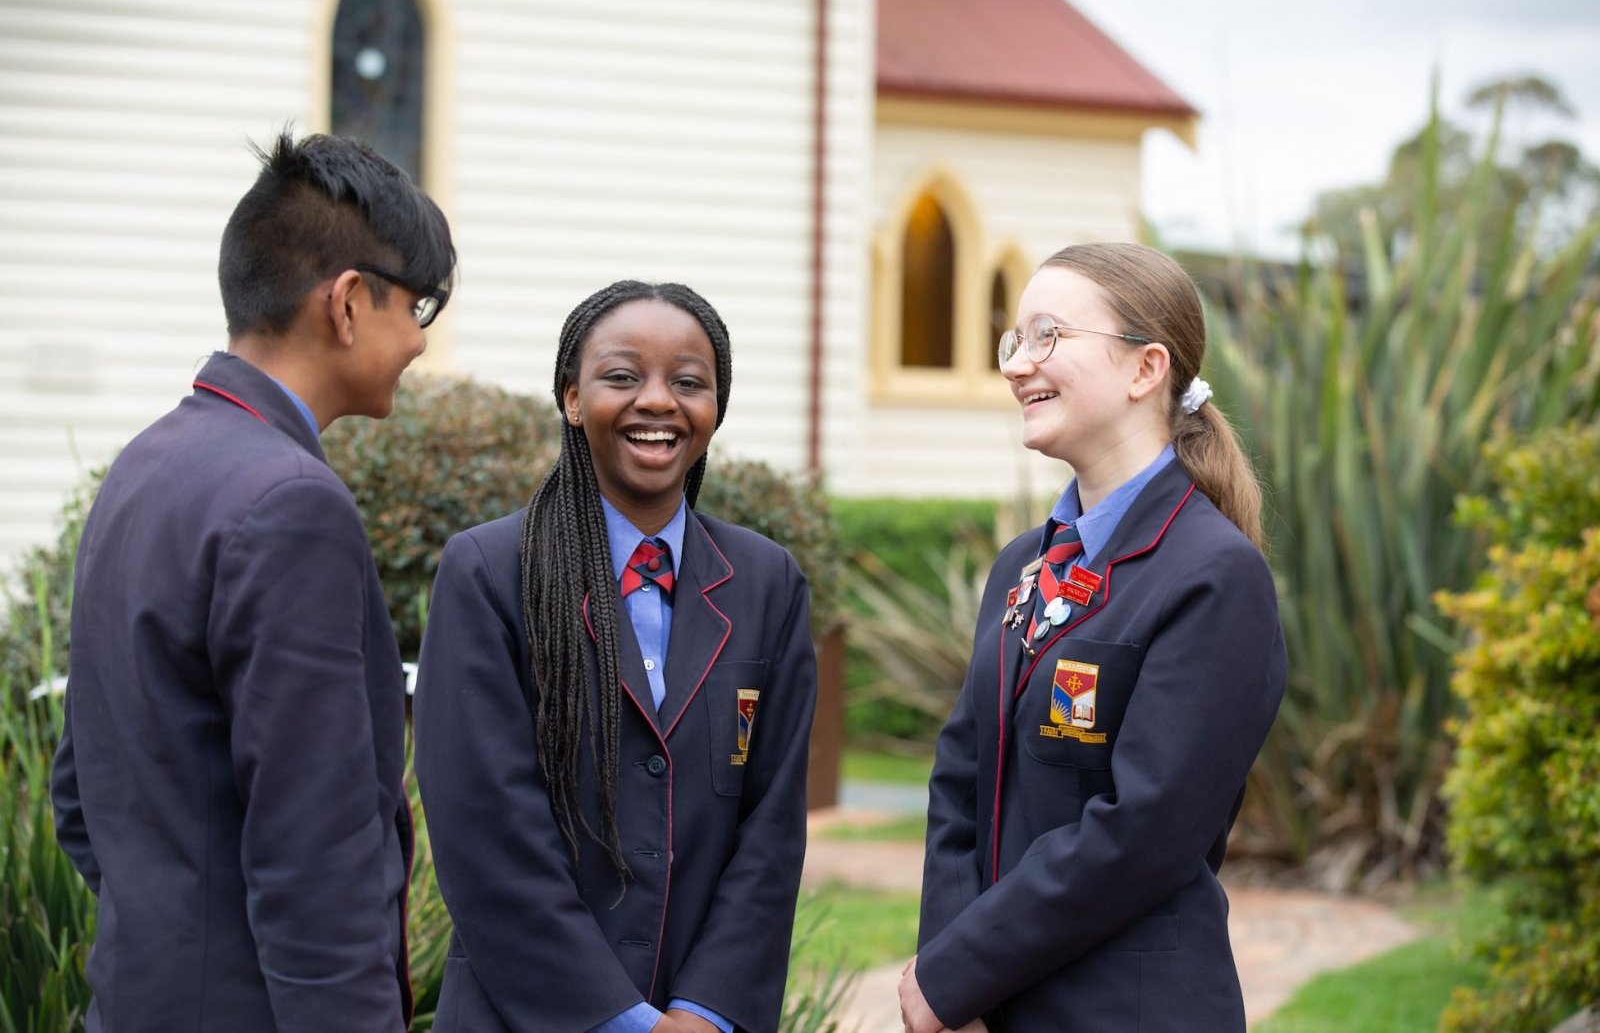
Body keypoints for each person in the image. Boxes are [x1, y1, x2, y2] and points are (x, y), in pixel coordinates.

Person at [51, 131, 456, 1033]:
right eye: (417, 304)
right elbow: (315, 857)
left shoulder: (144, 463)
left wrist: (177, 926)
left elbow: (80, 791)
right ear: (347, 303)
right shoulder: (290, 502)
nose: (419, 340)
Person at [899, 243, 1288, 1033]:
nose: (1018, 365)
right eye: (1016, 340)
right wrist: (952, 984)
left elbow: (1145, 829)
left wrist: (958, 971)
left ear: (1147, 367)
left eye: (1048, 335)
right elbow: (960, 781)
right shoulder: (1024, 563)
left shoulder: (1215, 575)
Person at [413, 280, 817, 1033]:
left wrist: (703, 1011)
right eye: (623, 376)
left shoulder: (767, 584)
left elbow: (771, 830)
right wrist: (623, 1021)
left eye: (688, 382)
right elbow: (486, 831)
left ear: (716, 406)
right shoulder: (490, 573)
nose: (657, 401)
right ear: (572, 398)